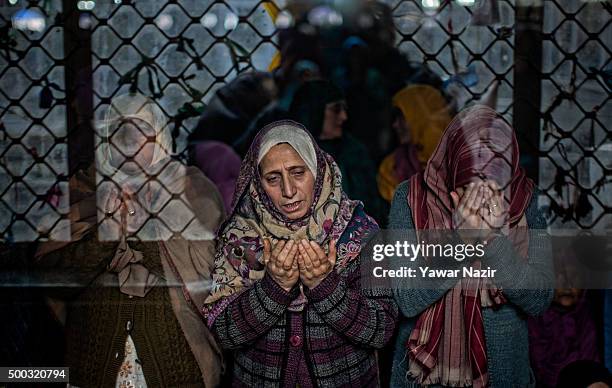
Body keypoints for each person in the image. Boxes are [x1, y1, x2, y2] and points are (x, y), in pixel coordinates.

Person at [34, 93, 225, 387]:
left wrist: (149, 233)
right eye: (120, 131)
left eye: (142, 130)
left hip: (176, 366)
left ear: (160, 137)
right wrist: (105, 238)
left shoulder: (192, 189)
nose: (130, 139)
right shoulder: (83, 190)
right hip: (92, 366)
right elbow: (50, 278)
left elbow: (216, 275)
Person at [203, 120, 398, 387]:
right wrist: (274, 287)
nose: (288, 190)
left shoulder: (360, 232)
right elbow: (224, 334)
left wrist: (324, 286)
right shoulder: (241, 238)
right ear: (257, 183)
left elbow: (380, 330)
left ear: (318, 172)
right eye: (273, 178)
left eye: (298, 172)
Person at [389, 105, 553, 387]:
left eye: (494, 191)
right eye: (469, 190)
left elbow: (539, 299)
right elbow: (406, 298)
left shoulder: (528, 201)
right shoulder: (410, 198)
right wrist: (462, 239)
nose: (480, 203)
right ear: (452, 171)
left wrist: (492, 240)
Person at [289, 79, 388, 225]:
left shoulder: (354, 152)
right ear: (315, 110)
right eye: (336, 109)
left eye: (344, 109)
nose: (343, 117)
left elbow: (372, 206)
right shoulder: (288, 154)